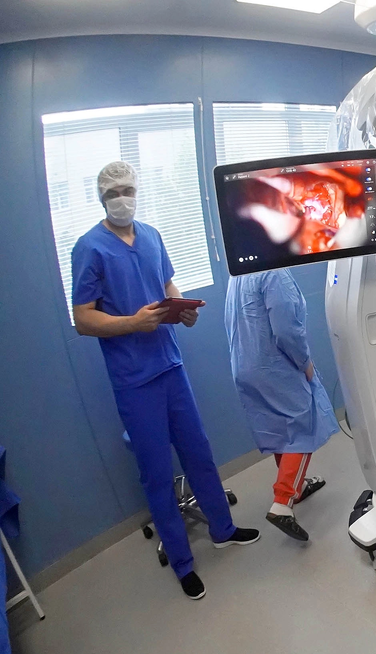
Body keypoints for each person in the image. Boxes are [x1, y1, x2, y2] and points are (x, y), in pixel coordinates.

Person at [72, 162, 258, 601]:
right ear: (101, 198)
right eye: (114, 192)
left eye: (128, 189)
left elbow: (167, 283)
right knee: (157, 474)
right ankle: (182, 562)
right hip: (134, 380)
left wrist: (183, 309)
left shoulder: (152, 235)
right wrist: (131, 323)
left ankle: (223, 529)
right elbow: (82, 318)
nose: (122, 198)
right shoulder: (89, 248)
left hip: (170, 366)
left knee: (200, 453)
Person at [225, 269, 337, 542]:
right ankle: (283, 502)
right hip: (275, 365)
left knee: (279, 427)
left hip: (245, 363)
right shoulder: (273, 274)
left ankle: (298, 488)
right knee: (303, 426)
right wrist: (305, 363)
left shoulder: (238, 273)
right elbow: (286, 331)